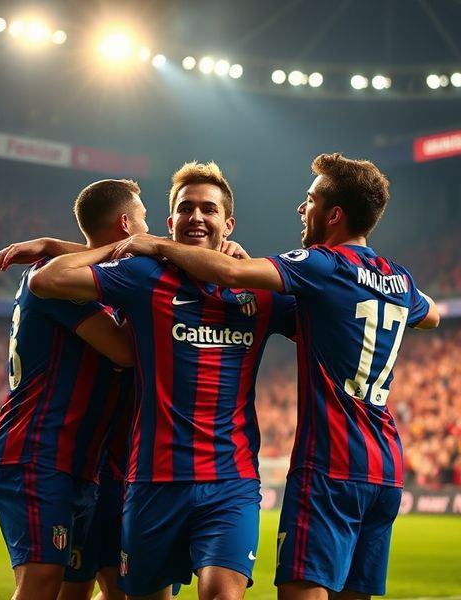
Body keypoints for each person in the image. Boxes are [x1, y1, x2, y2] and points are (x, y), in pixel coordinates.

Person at [111, 153, 441, 600]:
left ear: (334, 214)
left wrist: (158, 245)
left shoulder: (322, 264)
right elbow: (433, 315)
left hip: (330, 465)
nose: (301, 210)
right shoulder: (398, 277)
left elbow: (229, 272)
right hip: (385, 467)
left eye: (309, 201)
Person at [29, 161, 297, 600]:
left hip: (231, 480)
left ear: (227, 223)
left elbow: (330, 313)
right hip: (153, 481)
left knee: (221, 595)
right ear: (170, 222)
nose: (196, 217)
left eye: (208, 210)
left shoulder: (261, 291)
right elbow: (47, 281)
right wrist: (142, 247)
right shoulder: (143, 275)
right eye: (185, 208)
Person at [0, 179, 146, 600]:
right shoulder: (55, 280)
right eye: (144, 220)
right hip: (38, 451)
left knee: (76, 587)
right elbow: (125, 352)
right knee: (41, 584)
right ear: (126, 224)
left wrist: (54, 242)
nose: (150, 230)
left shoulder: (80, 278)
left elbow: (110, 262)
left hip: (78, 462)